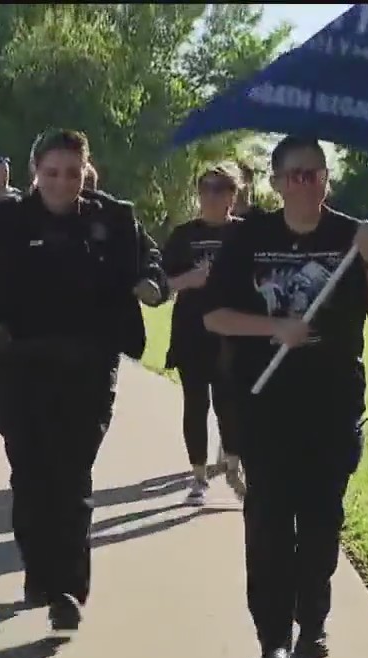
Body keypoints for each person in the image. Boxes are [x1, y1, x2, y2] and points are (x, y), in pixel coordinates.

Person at [201, 135, 368, 658]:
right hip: (265, 407)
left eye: (314, 174)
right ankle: (272, 638)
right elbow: (214, 317)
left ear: (326, 180)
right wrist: (276, 328)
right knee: (268, 523)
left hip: (333, 408)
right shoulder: (251, 239)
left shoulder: (354, 235)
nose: (305, 184)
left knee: (320, 524)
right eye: (294, 175)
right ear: (274, 182)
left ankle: (312, 620)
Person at [0, 129, 168, 631]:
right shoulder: (5, 220)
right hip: (19, 368)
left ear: (86, 173)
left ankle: (68, 590)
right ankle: (39, 569)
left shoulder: (113, 219)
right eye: (52, 173)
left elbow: (155, 264)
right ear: (36, 172)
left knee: (72, 476)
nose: (62, 183)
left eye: (72, 173)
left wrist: (152, 286)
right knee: (30, 477)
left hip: (87, 369)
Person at [161, 165, 245, 505]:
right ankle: (198, 477)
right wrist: (190, 279)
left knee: (231, 403)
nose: (212, 195)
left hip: (234, 333)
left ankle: (233, 468)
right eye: (206, 188)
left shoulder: (247, 233)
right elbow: (161, 285)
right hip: (191, 330)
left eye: (221, 188)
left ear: (233, 195)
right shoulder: (184, 235)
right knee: (196, 403)